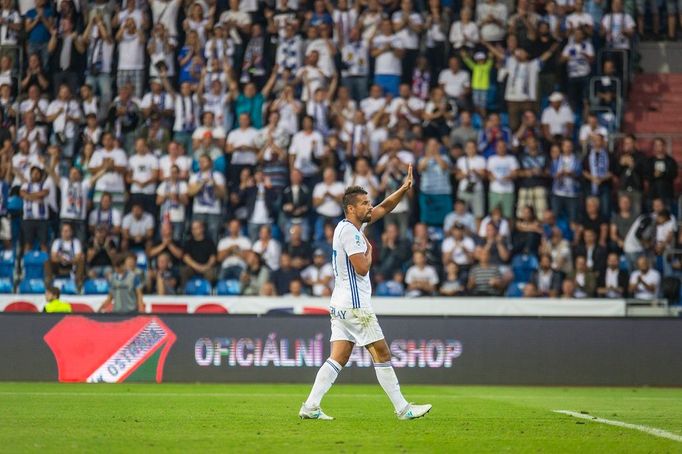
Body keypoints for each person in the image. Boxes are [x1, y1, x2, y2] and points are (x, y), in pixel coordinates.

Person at [299, 164, 432, 421]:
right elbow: (361, 268)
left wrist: (403, 189)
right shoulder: (353, 234)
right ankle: (403, 409)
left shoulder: (344, 227)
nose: (370, 206)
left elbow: (384, 207)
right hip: (355, 305)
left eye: (369, 202)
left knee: (339, 356)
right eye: (364, 203)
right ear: (351, 208)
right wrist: (370, 254)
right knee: (382, 353)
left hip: (339, 303)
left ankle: (310, 406)